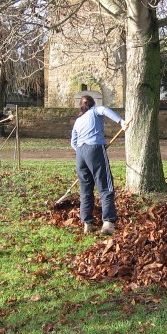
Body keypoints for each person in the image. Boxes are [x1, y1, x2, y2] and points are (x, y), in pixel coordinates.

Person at [71, 95, 129, 235]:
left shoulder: (78, 121)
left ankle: (87, 223)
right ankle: (108, 223)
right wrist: (121, 121)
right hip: (95, 150)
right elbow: (104, 109)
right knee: (105, 186)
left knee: (85, 191)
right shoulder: (95, 110)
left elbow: (73, 142)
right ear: (92, 104)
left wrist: (83, 151)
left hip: (80, 154)